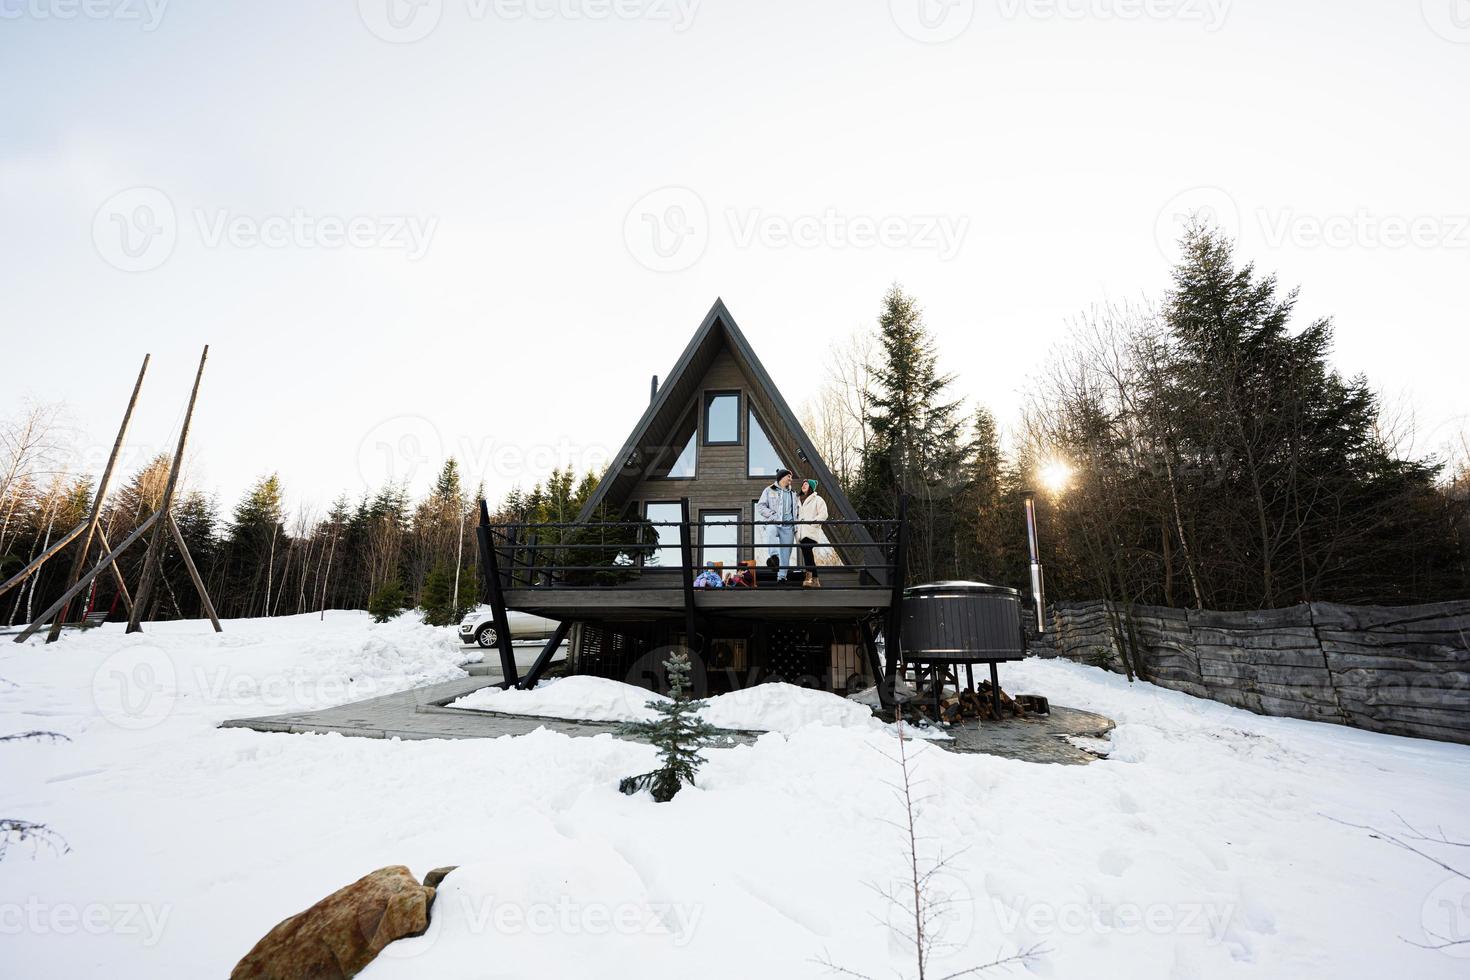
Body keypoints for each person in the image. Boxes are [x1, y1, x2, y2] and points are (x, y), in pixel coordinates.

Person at [755, 467, 798, 582]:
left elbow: (797, 510)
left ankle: (782, 577)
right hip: (774, 521)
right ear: (781, 477)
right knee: (770, 530)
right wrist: (772, 515)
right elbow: (760, 506)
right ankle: (774, 557)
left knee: (786, 551)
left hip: (789, 526)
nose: (790, 479)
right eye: (788, 476)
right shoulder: (769, 490)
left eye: (791, 477)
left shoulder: (793, 493)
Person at [796, 478, 829, 588]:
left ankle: (809, 577)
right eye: (803, 484)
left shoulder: (817, 499)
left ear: (811, 487)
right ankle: (815, 580)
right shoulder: (798, 499)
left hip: (810, 531)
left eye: (806, 484)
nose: (803, 485)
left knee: (807, 551)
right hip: (801, 532)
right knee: (807, 554)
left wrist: (812, 523)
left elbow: (824, 514)